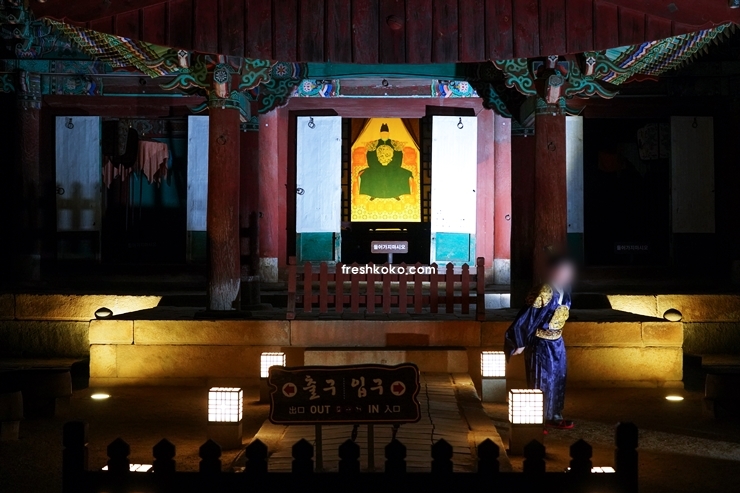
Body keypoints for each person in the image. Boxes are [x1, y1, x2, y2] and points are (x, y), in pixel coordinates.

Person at [504, 256, 575, 429]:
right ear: (552, 271)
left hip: (557, 342)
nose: (566, 275)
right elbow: (528, 316)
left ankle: (554, 415)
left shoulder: (565, 290)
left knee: (558, 378)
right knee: (540, 379)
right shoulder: (544, 290)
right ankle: (537, 420)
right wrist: (519, 341)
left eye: (568, 271)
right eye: (563, 271)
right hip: (540, 342)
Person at [359, 123, 413, 200]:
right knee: (369, 174)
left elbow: (398, 157)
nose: (384, 135)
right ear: (380, 134)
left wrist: (391, 166)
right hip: (376, 167)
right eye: (383, 133)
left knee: (399, 174)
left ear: (388, 134)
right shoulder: (374, 144)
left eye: (386, 133)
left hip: (392, 167)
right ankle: (373, 193)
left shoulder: (395, 144)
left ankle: (395, 193)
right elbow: (370, 157)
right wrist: (378, 165)